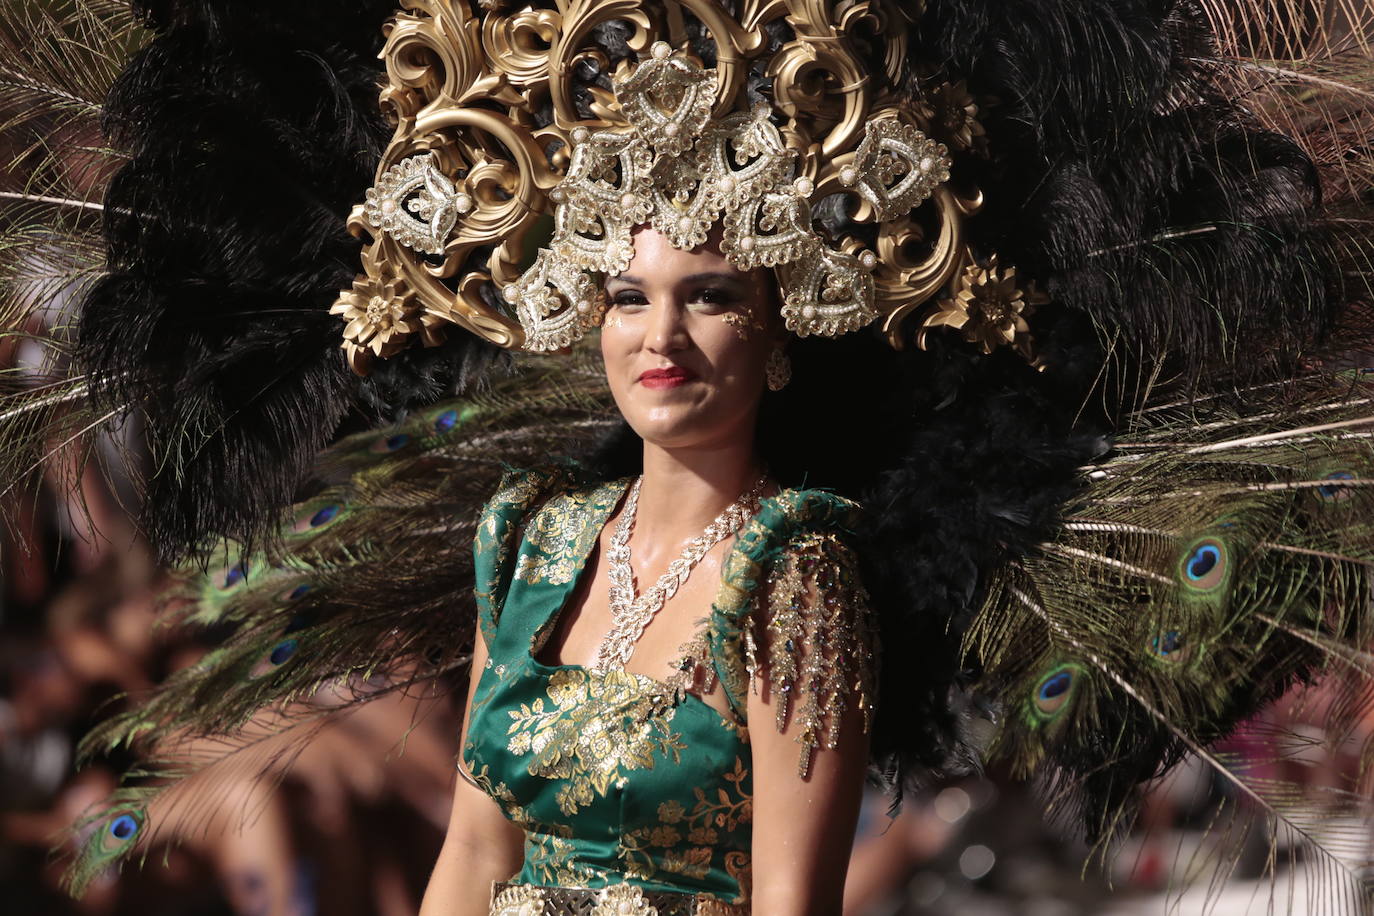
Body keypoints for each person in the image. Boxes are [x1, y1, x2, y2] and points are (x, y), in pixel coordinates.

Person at [4, 2, 1374, 914]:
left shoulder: (797, 575)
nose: (659, 337)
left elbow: (789, 899)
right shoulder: (527, 539)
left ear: (777, 334)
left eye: (709, 297)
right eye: (626, 297)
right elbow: (475, 853)